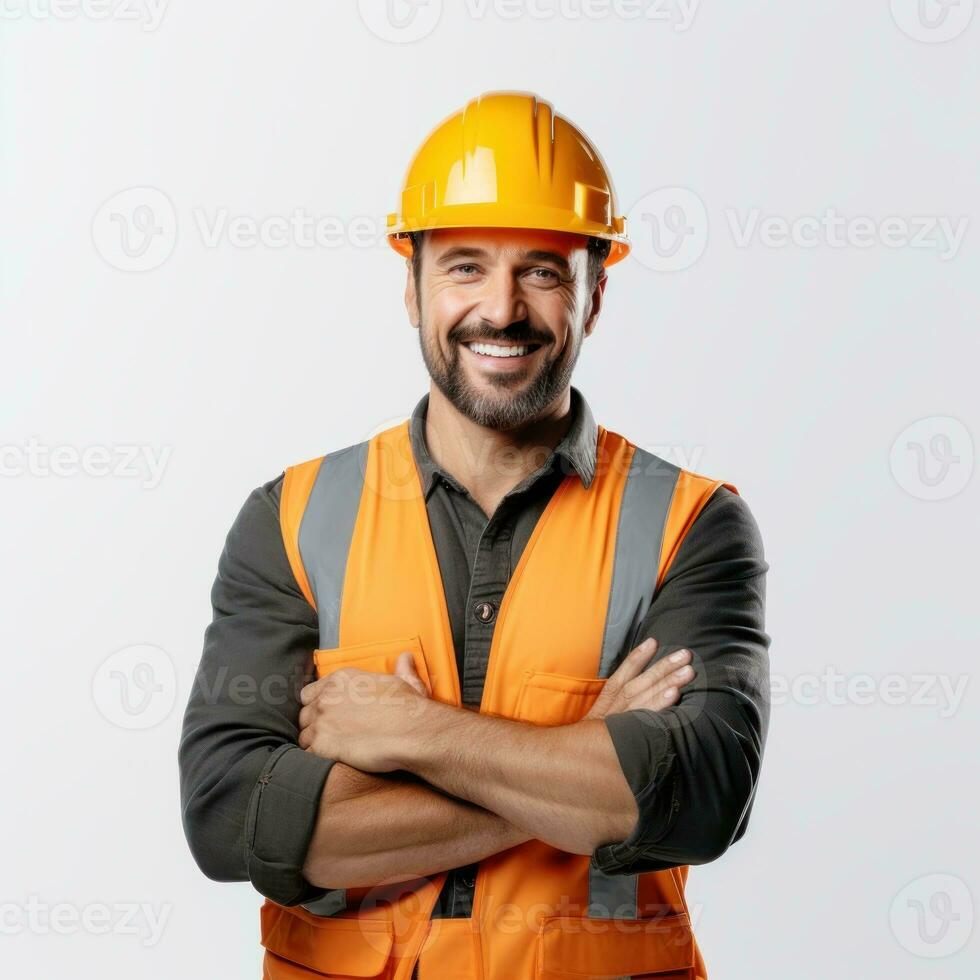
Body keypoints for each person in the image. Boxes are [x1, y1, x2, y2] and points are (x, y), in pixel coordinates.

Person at [178, 90, 771, 979]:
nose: (502, 309)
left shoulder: (689, 523)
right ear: (410, 286)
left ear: (595, 293)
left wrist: (418, 734)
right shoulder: (293, 518)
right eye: (464, 267)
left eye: (541, 269)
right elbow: (232, 817)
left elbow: (696, 797)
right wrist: (579, 769)